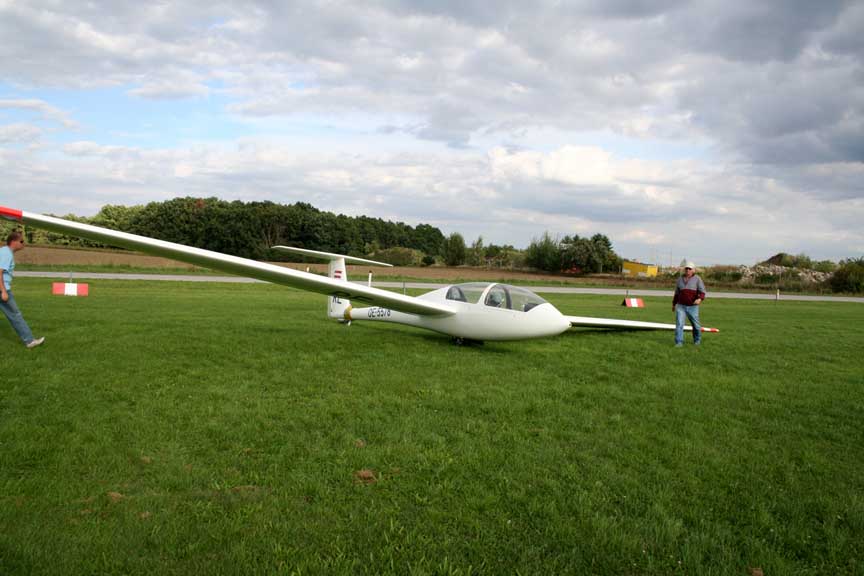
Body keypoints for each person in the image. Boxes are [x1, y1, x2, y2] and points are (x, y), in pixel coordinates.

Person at [0, 231, 44, 349]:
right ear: (13, 242)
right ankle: (29, 341)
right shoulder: (6, 253)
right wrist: (3, 291)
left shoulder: (4, 251)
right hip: (2, 289)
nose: (24, 244)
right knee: (15, 315)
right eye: (22, 241)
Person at [672, 259, 705, 347]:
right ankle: (679, 342)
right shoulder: (679, 279)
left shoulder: (697, 279)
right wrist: (674, 304)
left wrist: (700, 299)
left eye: (690, 269)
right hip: (681, 306)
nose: (688, 270)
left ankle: (697, 340)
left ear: (693, 270)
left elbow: (702, 292)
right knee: (679, 324)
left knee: (696, 325)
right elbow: (677, 293)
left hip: (692, 306)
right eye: (686, 268)